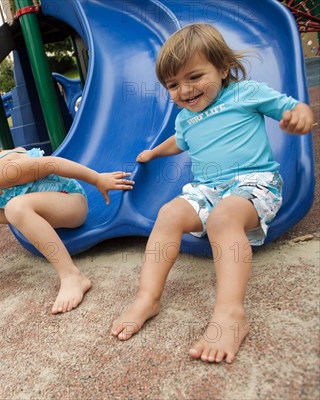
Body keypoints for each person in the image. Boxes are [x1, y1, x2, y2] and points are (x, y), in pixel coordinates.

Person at [110, 23, 314, 363]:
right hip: (207, 189)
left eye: (194, 77)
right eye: (173, 85)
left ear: (222, 69)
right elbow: (178, 142)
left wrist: (301, 116)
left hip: (253, 182)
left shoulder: (246, 93)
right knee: (168, 214)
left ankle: (230, 313)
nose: (184, 90)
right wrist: (152, 153)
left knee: (223, 219)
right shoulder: (185, 119)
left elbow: (294, 106)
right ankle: (147, 297)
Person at [0, 129, 135, 314]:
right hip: (46, 206)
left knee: (15, 207)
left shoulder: (1, 171)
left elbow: (52, 164)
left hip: (71, 204)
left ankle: (72, 276)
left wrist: (98, 179)